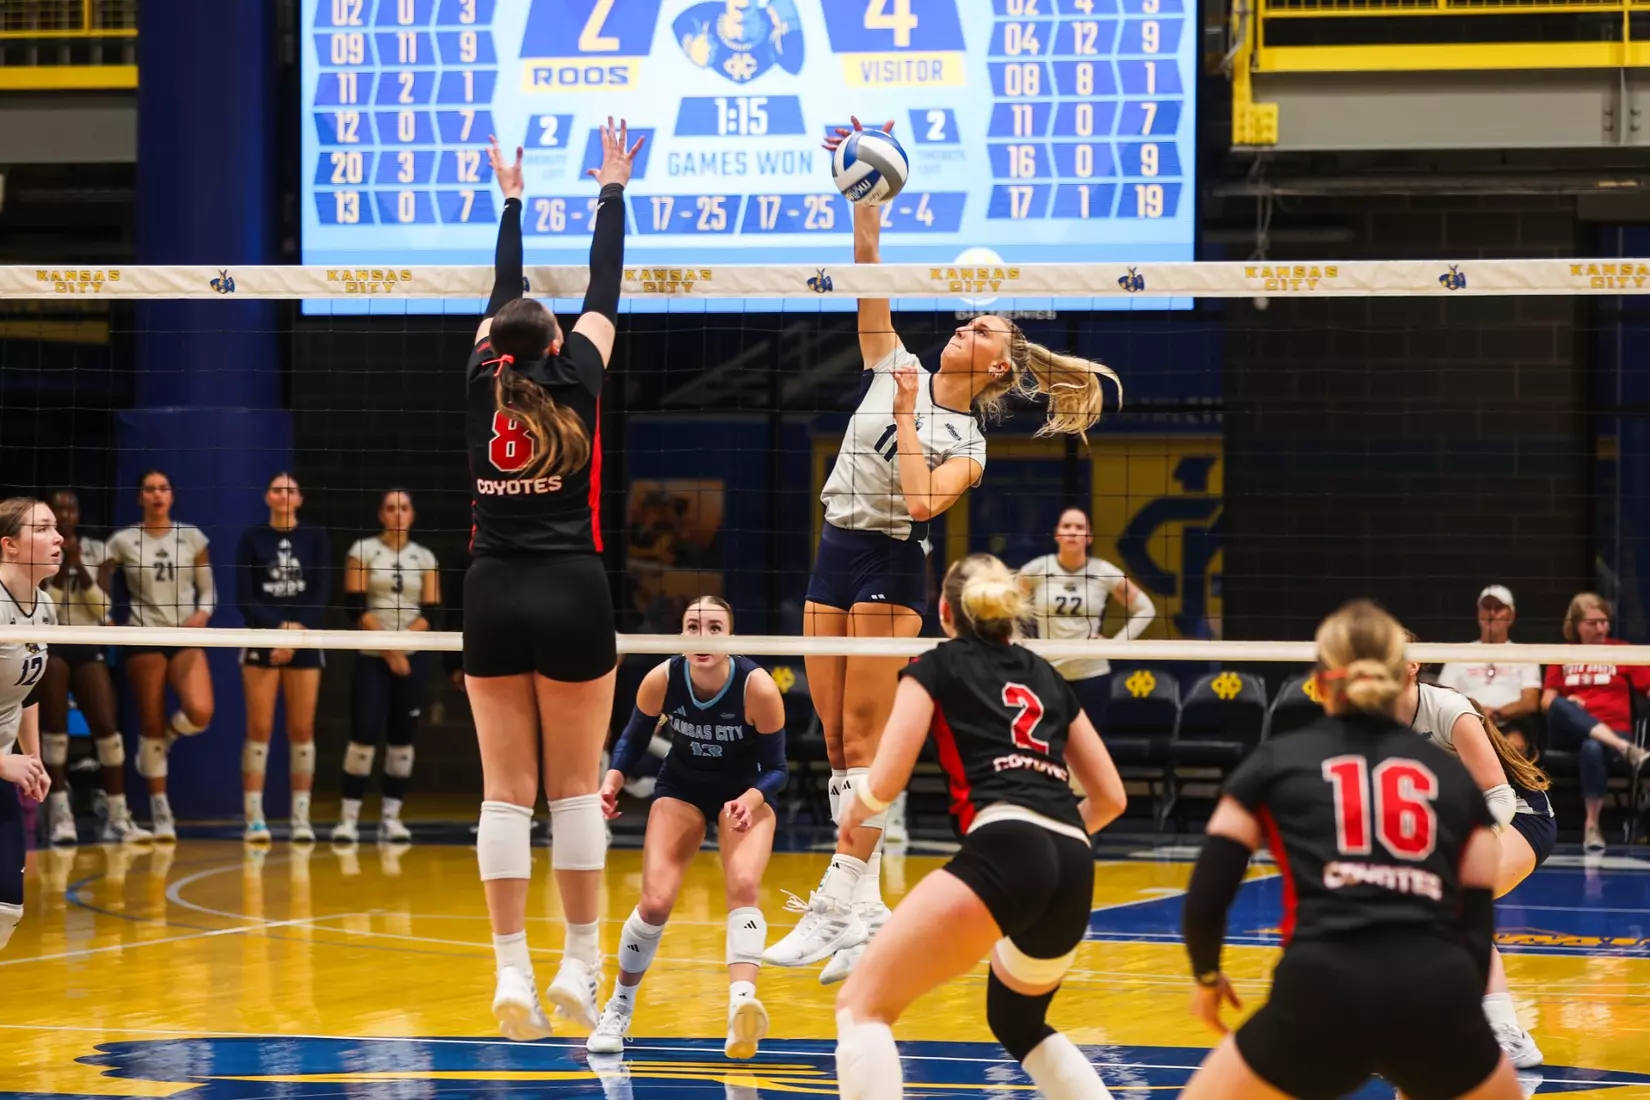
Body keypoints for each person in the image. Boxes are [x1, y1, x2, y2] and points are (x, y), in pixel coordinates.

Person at [769, 117, 1123, 982]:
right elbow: (868, 277)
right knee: (832, 735)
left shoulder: (969, 439)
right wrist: (866, 197)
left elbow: (925, 498)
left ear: (1002, 367)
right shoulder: (898, 357)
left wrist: (899, 416)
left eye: (986, 331)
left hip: (894, 559)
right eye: (969, 322)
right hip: (835, 544)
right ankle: (860, 911)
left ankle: (836, 899)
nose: (969, 327)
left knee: (861, 732)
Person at [1176, 599, 1520, 1100]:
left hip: (1321, 989)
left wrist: (1207, 979)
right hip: (1434, 989)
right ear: (1400, 671)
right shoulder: (1451, 778)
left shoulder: (1275, 762)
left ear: (1320, 678)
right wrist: (1444, 1025)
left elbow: (1206, 896)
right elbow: (1476, 921)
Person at [464, 122, 641, 1041]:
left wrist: (511, 197)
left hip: (491, 588)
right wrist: (610, 189)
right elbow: (605, 284)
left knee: (505, 793)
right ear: (557, 341)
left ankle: (509, 975)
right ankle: (578, 962)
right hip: (573, 587)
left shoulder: (479, 379)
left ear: (496, 344)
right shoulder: (580, 376)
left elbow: (504, 293)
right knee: (575, 790)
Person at [831, 554, 1126, 1099]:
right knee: (1018, 1022)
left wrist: (857, 808)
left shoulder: (935, 665)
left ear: (945, 612)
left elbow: (888, 778)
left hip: (1007, 844)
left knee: (862, 1004)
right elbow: (1110, 798)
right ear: (1010, 610)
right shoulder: (1048, 677)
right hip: (1073, 859)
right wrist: (1053, 838)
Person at [589, 596, 787, 1060]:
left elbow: (779, 769)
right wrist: (612, 780)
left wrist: (753, 798)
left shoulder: (756, 686)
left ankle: (741, 1010)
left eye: (714, 627)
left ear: (730, 637)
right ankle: (618, 1008)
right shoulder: (662, 678)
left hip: (746, 791)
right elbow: (633, 739)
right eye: (692, 627)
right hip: (682, 786)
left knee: (743, 883)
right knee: (655, 902)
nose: (702, 638)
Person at [1400, 632, 1554, 1069]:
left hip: (1519, 816)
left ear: (1413, 665)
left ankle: (1508, 1033)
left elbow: (1500, 798)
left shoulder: (1448, 709)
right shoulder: (1366, 719)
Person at [100, 469, 216, 842]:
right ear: (140, 498)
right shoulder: (123, 540)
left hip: (183, 632)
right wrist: (104, 616)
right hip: (143, 633)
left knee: (200, 711)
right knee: (148, 722)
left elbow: (208, 589)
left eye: (163, 488)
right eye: (149, 489)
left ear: (172, 495)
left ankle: (168, 736)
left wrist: (203, 613)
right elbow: (100, 580)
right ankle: (159, 809)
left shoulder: (192, 536)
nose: (157, 495)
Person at [38, 489, 149, 844]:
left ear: (78, 513)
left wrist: (77, 564)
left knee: (107, 727)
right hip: (52, 641)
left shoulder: (99, 550)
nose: (65, 513)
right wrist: (62, 565)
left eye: (70, 508)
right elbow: (46, 604)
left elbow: (103, 608)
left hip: (86, 642)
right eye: (58, 509)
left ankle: (117, 816)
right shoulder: (40, 550)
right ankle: (60, 815)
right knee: (55, 729)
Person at [332, 488, 438, 844]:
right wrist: (391, 649)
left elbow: (433, 613)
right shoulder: (362, 551)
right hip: (373, 655)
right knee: (363, 734)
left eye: (404, 508)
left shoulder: (424, 557)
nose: (397, 514)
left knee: (402, 739)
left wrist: (404, 645)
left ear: (412, 515)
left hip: (414, 655)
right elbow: (354, 607)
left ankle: (391, 817)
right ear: (381, 514)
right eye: (391, 508)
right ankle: (349, 818)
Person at [237, 473, 332, 844]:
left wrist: (296, 632)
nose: (283, 495)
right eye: (277, 489)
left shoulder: (315, 537)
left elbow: (322, 590)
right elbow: (244, 596)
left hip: (305, 638)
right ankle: (254, 818)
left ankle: (300, 818)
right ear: (267, 497)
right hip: (263, 637)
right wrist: (277, 630)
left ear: (300, 497)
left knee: (302, 731)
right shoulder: (252, 538)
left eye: (290, 489)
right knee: (259, 730)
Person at [1018, 506, 1156, 722]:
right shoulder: (1037, 569)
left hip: (1092, 675)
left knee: (1088, 749)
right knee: (1049, 745)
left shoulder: (1103, 572)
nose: (1073, 532)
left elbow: (1147, 609)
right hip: (1049, 674)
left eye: (1080, 527)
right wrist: (1021, 643)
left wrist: (1116, 645)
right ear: (1057, 534)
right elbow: (1005, 606)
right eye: (1066, 526)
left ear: (1089, 537)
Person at [0, 498, 63, 951]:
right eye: (42, 529)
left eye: (56, 528)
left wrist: (32, 756)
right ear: (10, 546)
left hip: (2, 769)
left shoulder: (44, 605)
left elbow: (30, 689)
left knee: (6, 909)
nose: (58, 538)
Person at [1541, 592, 1650, 854]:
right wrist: (1572, 702)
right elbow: (1546, 702)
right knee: (1561, 704)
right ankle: (1628, 751)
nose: (1601, 628)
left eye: (1604, 622)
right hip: (1569, 734)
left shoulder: (1623, 651)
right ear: (1577, 624)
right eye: (1592, 623)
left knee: (1593, 746)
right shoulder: (1564, 654)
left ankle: (1592, 825)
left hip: (1615, 731)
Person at [1435, 586, 1542, 741]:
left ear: (1511, 616)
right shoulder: (1459, 653)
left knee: (1515, 742)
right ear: (1479, 613)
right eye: (1486, 607)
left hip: (1509, 724)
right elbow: (1443, 696)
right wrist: (1474, 712)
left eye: (1498, 608)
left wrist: (1497, 713)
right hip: (1465, 722)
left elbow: (1530, 702)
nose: (1491, 613)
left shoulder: (1524, 653)